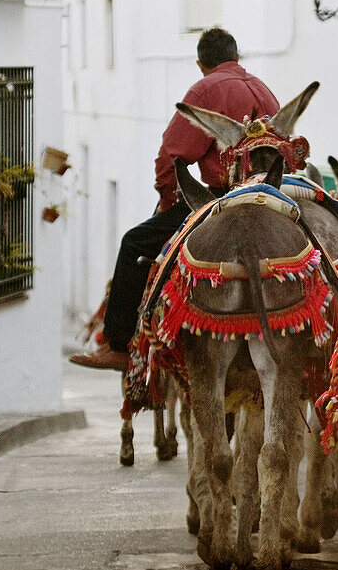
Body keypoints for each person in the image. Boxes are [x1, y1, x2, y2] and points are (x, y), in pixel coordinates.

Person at [69, 28, 279, 370]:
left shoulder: (206, 88)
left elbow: (172, 154)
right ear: (237, 58)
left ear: (201, 64)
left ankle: (119, 345)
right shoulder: (264, 90)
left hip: (220, 197)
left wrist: (167, 197)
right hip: (269, 196)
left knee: (134, 244)